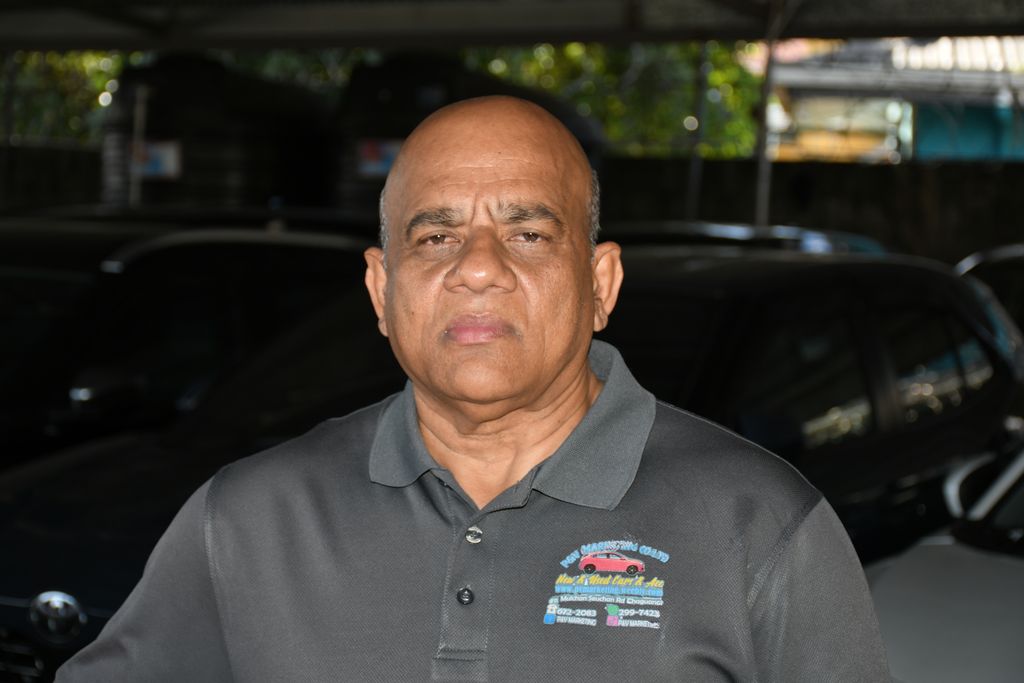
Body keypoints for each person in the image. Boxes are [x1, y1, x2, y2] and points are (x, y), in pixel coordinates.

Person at [58, 96, 889, 681]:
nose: (478, 267)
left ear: (601, 283)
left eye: (527, 233)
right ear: (381, 290)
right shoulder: (247, 518)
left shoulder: (759, 525)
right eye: (436, 237)